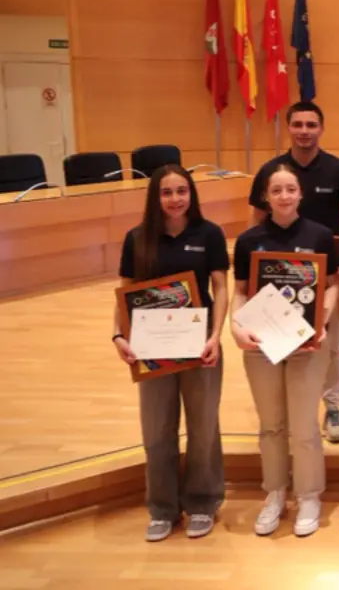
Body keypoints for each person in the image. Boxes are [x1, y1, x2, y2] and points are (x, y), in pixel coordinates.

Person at [113, 166, 230, 542]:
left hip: (201, 348)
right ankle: (162, 508)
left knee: (203, 427)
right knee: (157, 430)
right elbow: (125, 291)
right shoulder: (137, 238)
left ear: (192, 194)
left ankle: (202, 502)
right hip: (153, 350)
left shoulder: (209, 234)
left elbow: (221, 288)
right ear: (155, 197)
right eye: (167, 192)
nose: (176, 198)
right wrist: (118, 335)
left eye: (182, 191)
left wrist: (215, 335)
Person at [231, 163, 339, 538]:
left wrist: (321, 322)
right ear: (266, 196)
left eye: (290, 189)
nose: (284, 196)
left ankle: (309, 495)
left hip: (306, 343)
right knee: (271, 424)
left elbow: (330, 286)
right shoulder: (249, 241)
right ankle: (275, 493)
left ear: (301, 193)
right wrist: (235, 325)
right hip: (261, 343)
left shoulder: (321, 235)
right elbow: (242, 292)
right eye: (276, 190)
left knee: (304, 424)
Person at [248, 101, 339, 444]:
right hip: (279, 280)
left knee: (331, 345)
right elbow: (256, 226)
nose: (304, 131)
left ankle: (333, 408)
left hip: (328, 279)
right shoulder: (270, 171)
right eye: (297, 124)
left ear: (321, 129)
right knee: (280, 345)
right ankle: (282, 414)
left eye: (311, 124)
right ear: (289, 127)